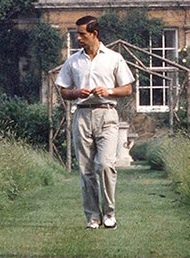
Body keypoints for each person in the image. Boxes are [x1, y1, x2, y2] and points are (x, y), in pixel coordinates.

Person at [55, 14, 135, 229]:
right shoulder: (73, 61)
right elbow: (62, 90)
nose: (78, 38)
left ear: (94, 34)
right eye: (77, 34)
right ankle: (92, 217)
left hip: (107, 114)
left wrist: (108, 90)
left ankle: (109, 213)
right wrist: (76, 92)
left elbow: (127, 88)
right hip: (81, 115)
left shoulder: (113, 58)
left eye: (82, 34)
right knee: (86, 169)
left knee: (106, 165)